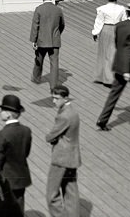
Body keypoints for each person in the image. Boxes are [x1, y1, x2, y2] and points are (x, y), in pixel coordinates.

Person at [0, 94, 31, 215]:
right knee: (18, 210)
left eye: (2, 110)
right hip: (21, 179)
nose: (0, 112)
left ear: (8, 114)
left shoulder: (3, 134)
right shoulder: (26, 131)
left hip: (5, 182)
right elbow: (25, 152)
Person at [45, 85, 81, 217]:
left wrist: (48, 137)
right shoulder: (73, 111)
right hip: (72, 157)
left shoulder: (64, 116)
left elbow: (51, 136)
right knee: (71, 191)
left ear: (65, 98)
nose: (53, 101)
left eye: (56, 98)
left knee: (52, 194)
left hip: (61, 158)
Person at [90, 0, 127, 85]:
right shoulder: (122, 9)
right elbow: (125, 21)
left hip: (106, 30)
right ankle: (112, 76)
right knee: (114, 53)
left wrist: (95, 32)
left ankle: (103, 76)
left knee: (104, 53)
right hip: (118, 30)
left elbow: (99, 22)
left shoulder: (102, 9)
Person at [30, 0, 65, 89]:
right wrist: (57, 34)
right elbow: (62, 25)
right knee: (54, 63)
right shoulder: (58, 10)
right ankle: (53, 85)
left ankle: (36, 78)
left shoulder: (39, 9)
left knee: (39, 60)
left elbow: (35, 26)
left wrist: (34, 40)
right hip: (54, 41)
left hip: (41, 40)